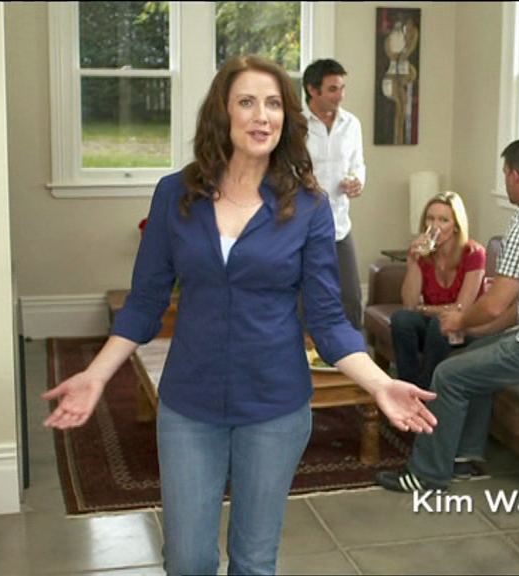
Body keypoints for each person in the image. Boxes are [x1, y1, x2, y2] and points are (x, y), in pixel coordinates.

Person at [42, 55, 437, 576]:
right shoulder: (174, 195)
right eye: (246, 102)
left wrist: (380, 383)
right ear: (222, 113)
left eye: (273, 103)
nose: (261, 115)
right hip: (190, 403)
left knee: (253, 561)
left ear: (286, 116)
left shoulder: (309, 207)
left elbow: (328, 320)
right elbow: (144, 303)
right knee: (188, 560)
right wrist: (96, 375)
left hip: (275, 406)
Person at [376, 137, 519, 493]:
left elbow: (495, 303)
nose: (505, 180)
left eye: (504, 173)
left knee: (449, 374)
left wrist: (460, 321)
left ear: (515, 175)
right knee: (471, 360)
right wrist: (482, 332)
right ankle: (465, 458)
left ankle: (426, 475)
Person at [392, 190, 488, 391]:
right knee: (401, 319)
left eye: (443, 220)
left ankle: (426, 392)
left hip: (465, 326)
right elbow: (409, 305)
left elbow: (461, 308)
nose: (434, 226)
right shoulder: (424, 253)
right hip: (435, 322)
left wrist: (424, 309)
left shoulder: (474, 254)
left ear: (456, 226)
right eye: (430, 219)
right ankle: (407, 389)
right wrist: (412, 262)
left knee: (440, 323)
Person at [303, 58, 366, 329]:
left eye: (342, 88)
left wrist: (358, 181)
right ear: (312, 90)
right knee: (302, 299)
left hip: (339, 225)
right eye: (332, 89)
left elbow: (358, 164)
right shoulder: (295, 125)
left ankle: (353, 351)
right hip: (302, 227)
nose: (340, 95)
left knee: (351, 298)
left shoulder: (352, 124)